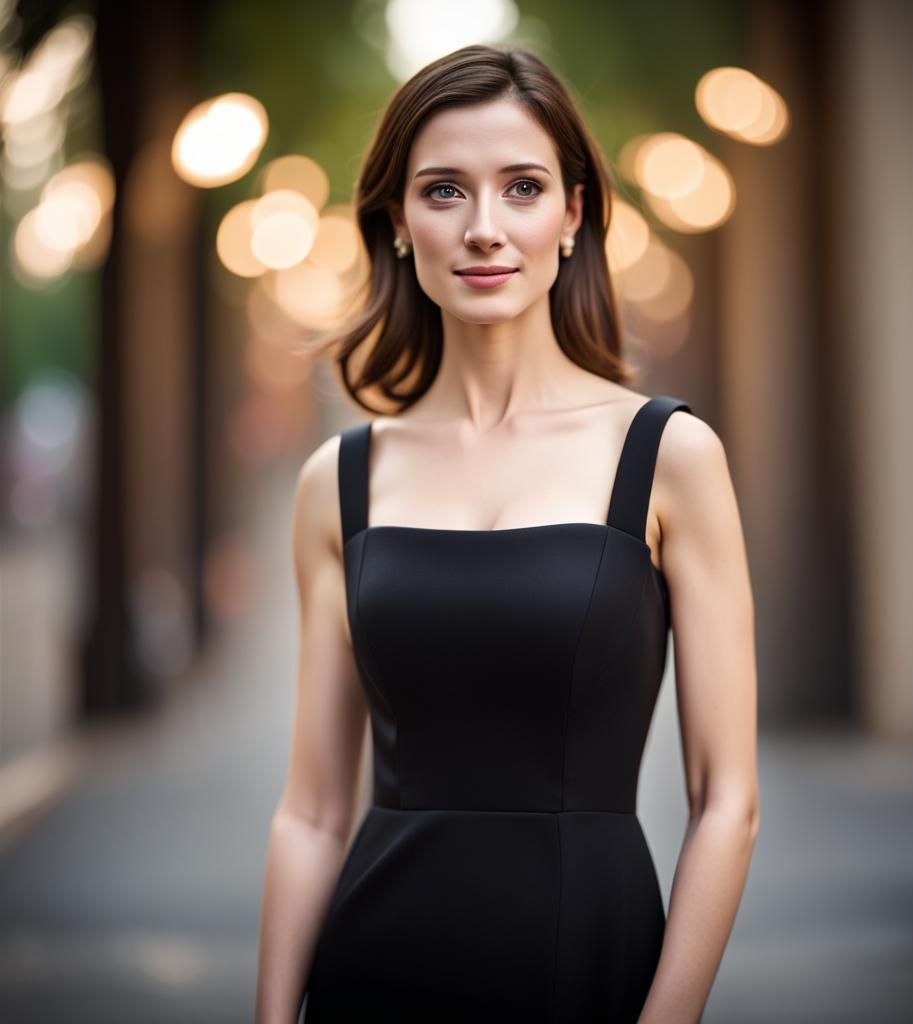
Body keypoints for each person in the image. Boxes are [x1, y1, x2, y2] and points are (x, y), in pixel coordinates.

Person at [255, 43, 758, 1024]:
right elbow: (312, 810)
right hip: (374, 968)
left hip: (589, 965)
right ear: (397, 221)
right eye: (443, 192)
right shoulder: (339, 483)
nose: (484, 229)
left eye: (520, 188)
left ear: (572, 215)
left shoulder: (668, 457)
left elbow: (726, 798)